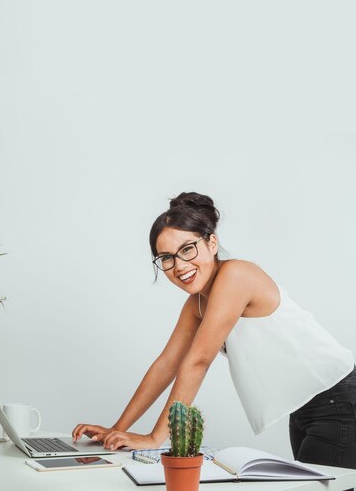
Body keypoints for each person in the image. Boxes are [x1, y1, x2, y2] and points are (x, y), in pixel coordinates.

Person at [72, 192, 356, 469]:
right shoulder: (196, 304)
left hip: (338, 402)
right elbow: (166, 365)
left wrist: (155, 438)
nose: (179, 266)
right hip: (306, 408)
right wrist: (115, 431)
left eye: (187, 249)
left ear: (211, 243)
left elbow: (198, 361)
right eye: (166, 258)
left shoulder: (236, 275)